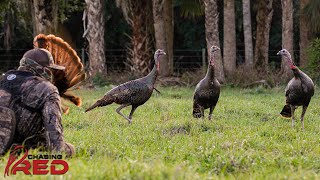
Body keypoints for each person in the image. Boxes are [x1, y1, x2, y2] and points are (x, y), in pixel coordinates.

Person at [0, 48, 75, 156]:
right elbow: (56, 146)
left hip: (5, 147)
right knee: (70, 149)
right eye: (50, 69)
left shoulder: (2, 80)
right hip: (21, 148)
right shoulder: (48, 89)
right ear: (43, 69)